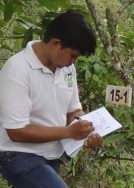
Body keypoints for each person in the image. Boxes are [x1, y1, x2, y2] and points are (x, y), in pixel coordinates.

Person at [0, 9, 102, 188]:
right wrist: (70, 132)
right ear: (56, 44)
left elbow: (73, 110)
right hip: (17, 155)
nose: (74, 62)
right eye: (73, 56)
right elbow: (16, 132)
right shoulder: (17, 70)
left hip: (51, 155)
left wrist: (85, 128)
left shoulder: (67, 69)